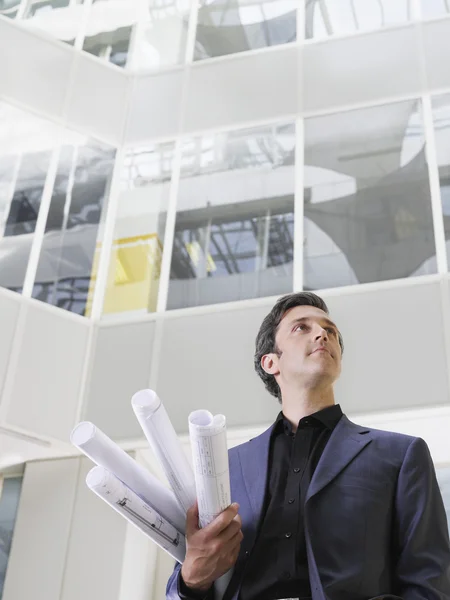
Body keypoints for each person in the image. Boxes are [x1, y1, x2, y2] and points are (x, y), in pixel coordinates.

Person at [166, 292, 450, 600]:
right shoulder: (226, 467)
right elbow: (179, 586)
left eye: (331, 331)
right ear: (271, 362)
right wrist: (191, 580)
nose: (322, 334)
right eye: (302, 327)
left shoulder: (401, 455)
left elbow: (429, 583)